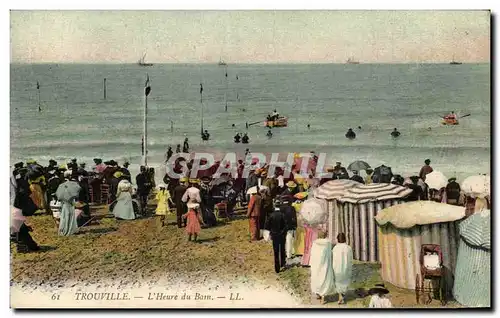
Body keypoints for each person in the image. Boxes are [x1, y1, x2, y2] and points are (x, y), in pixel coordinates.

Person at [310, 232, 335, 305]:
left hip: (316, 265)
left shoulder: (315, 243)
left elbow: (313, 253)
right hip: (325, 264)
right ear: (325, 236)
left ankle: (318, 294)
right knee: (324, 278)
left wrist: (312, 263)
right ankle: (323, 297)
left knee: (316, 278)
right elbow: (329, 254)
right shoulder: (328, 243)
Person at [55, 171, 80, 236]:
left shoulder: (61, 186)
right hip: (70, 204)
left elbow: (60, 197)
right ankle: (71, 230)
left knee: (64, 217)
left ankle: (64, 229)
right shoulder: (72, 185)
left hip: (64, 204)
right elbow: (76, 193)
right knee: (71, 217)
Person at [332, 233, 353, 305]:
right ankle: (342, 296)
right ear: (345, 239)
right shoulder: (348, 248)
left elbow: (333, 259)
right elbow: (350, 259)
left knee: (338, 282)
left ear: (338, 239)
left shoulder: (335, 248)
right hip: (346, 268)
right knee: (345, 282)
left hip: (337, 268)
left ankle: (340, 296)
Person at [265, 206, 287, 273]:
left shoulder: (271, 215)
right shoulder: (283, 215)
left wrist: (270, 233)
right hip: (282, 235)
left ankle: (277, 268)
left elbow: (267, 226)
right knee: (282, 249)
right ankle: (282, 263)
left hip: (274, 235)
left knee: (276, 252)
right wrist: (283, 232)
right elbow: (286, 225)